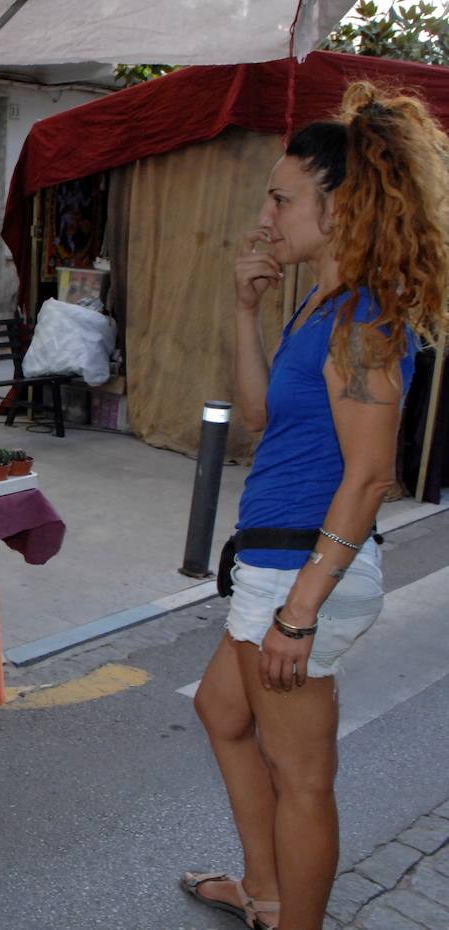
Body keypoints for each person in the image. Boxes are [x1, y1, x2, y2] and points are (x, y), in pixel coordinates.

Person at [181, 81, 449, 930]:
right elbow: (259, 419)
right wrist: (244, 307)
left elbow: (371, 476)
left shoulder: (365, 318)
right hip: (278, 557)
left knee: (303, 778)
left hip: (304, 569)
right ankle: (264, 895)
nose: (268, 211)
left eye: (283, 196)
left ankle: (290, 918)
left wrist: (299, 612)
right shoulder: (323, 306)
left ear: (340, 208)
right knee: (220, 709)